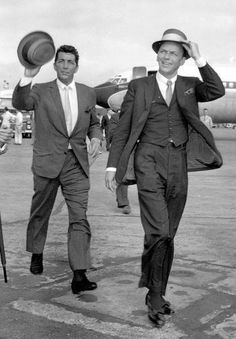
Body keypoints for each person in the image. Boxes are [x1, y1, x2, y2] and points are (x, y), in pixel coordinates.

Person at [105, 28, 225, 327]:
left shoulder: (189, 84)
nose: (165, 56)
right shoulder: (139, 86)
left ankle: (154, 290)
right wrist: (112, 168)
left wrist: (200, 57)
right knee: (158, 230)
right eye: (162, 51)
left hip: (178, 163)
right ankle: (156, 296)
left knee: (167, 234)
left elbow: (216, 90)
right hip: (147, 160)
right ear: (156, 54)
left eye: (173, 52)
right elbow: (123, 129)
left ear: (182, 58)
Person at [12, 45, 102, 294]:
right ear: (54, 65)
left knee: (79, 216)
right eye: (60, 61)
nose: (64, 66)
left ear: (76, 66)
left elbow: (94, 122)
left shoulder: (87, 93)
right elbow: (20, 102)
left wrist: (95, 137)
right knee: (40, 212)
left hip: (76, 164)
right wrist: (28, 75)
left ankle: (79, 273)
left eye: (69, 62)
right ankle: (36, 252)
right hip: (47, 162)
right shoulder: (40, 91)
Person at [109, 111, 131, 214]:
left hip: (141, 148)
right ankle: (124, 203)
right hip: (123, 149)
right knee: (122, 175)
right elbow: (112, 133)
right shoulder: (116, 117)